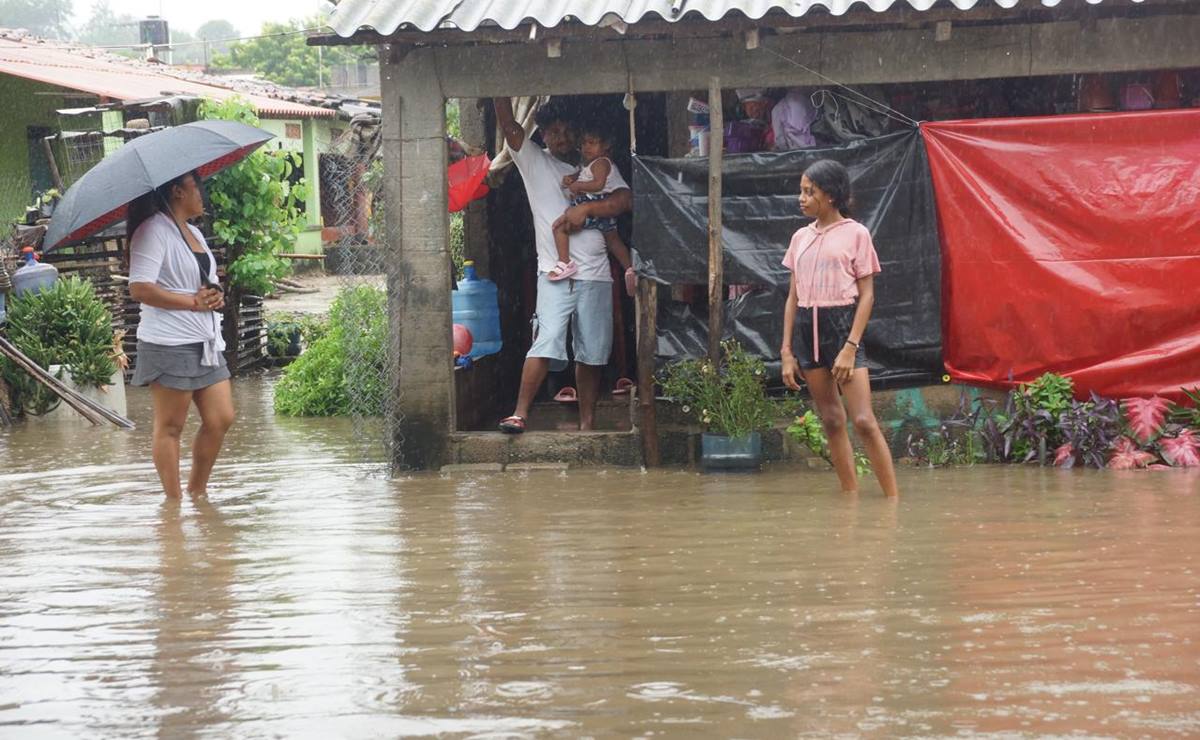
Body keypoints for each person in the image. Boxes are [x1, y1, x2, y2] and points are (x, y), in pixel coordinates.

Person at [492, 97, 633, 434]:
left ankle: (587, 424)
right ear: (541, 135)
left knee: (591, 353)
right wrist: (496, 90)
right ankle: (519, 414)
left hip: (596, 275)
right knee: (547, 340)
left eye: (567, 132)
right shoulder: (534, 161)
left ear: (579, 136)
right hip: (554, 275)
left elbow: (624, 200)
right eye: (553, 132)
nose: (561, 138)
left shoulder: (597, 168)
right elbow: (510, 127)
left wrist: (587, 209)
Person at [780, 160, 898, 498]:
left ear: (830, 195)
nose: (801, 198)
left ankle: (892, 501)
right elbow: (793, 296)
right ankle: (850, 499)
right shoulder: (800, 237)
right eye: (801, 191)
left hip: (843, 327)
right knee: (831, 419)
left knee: (863, 420)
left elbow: (867, 295)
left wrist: (850, 346)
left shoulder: (856, 233)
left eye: (809, 192)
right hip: (808, 329)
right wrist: (786, 352)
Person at [126, 171, 234, 498]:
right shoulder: (152, 231)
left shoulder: (194, 232)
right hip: (169, 342)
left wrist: (213, 296)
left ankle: (197, 494)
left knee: (221, 418)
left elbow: (200, 283)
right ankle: (172, 506)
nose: (201, 192)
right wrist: (192, 303)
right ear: (176, 192)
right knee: (171, 426)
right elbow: (140, 288)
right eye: (195, 185)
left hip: (205, 340)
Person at [551, 124, 636, 295]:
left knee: (560, 227)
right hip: (603, 210)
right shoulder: (590, 165)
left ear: (605, 145)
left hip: (595, 203)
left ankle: (564, 263)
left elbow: (598, 184)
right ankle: (629, 269)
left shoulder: (601, 163)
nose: (586, 147)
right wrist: (572, 178)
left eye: (592, 143)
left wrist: (578, 186)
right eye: (583, 143)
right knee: (613, 240)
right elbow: (583, 174)